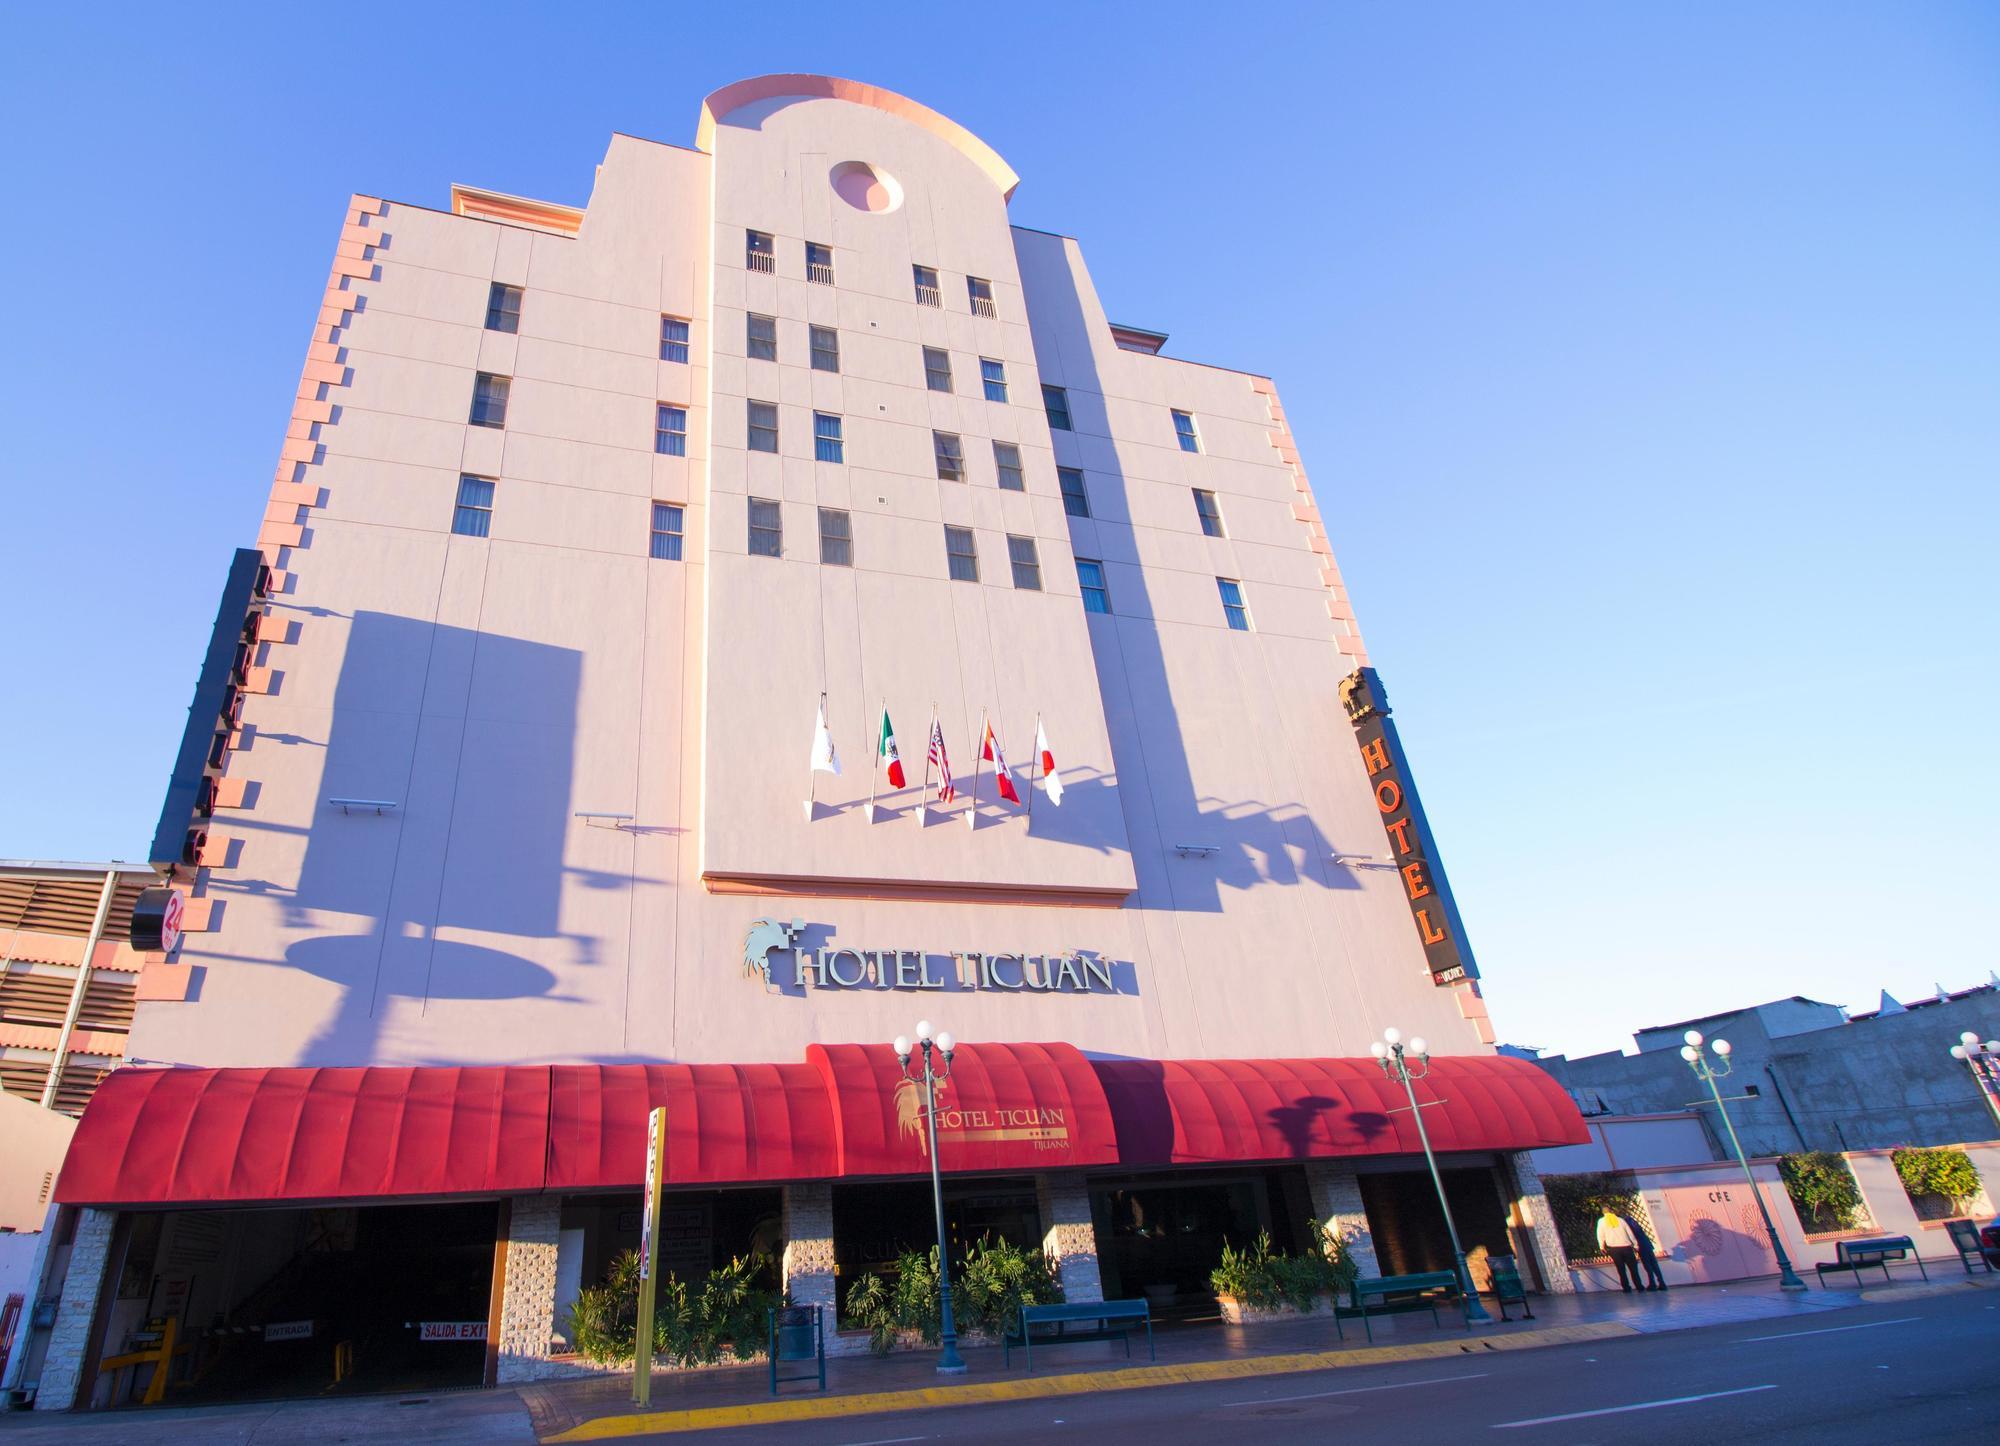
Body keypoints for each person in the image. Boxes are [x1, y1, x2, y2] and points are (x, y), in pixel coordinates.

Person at [1596, 1207, 1642, 1292]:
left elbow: (1600, 1235)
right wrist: (1635, 1245)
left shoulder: (1601, 1222)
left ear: (1603, 1213)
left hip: (1614, 1249)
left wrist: (1601, 1247)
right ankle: (1639, 1286)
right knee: (1633, 1269)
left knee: (1621, 1270)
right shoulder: (1620, 1220)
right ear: (1611, 1211)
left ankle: (1626, 1288)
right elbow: (1630, 1233)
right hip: (1627, 1247)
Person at [1622, 1211, 1668, 1291]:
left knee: (1648, 1266)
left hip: (1641, 1246)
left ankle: (1652, 1284)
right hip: (1647, 1244)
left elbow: (1632, 1235)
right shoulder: (1633, 1221)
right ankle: (1661, 1283)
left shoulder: (1627, 1223)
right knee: (1654, 1264)